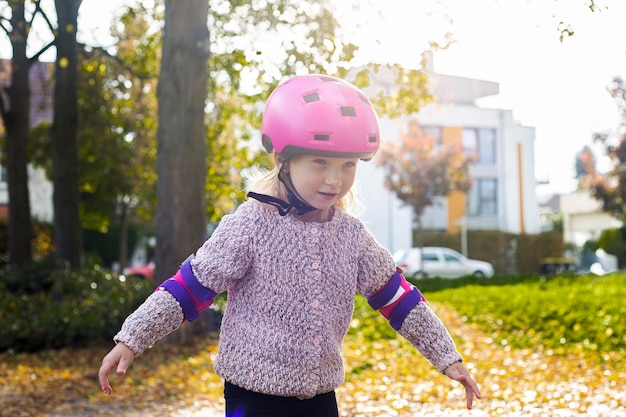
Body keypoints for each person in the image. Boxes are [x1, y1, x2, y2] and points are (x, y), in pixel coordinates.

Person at [98, 74, 481, 416]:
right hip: (253, 395)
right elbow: (190, 288)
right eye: (320, 162)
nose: (335, 179)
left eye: (348, 165)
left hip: (320, 396)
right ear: (283, 159)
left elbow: (399, 299)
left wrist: (447, 357)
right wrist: (132, 338)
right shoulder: (250, 225)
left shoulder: (351, 237)